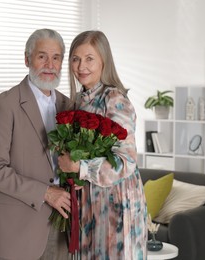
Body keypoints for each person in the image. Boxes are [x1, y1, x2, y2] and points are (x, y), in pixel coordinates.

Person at [0, 28, 72, 260]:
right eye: (42, 56)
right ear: (27, 59)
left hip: (62, 228)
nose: (49, 64)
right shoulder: (4, 105)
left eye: (56, 57)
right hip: (18, 231)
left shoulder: (69, 105)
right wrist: (45, 193)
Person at [58, 30, 148, 259]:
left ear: (103, 61)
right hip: (88, 201)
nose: (81, 66)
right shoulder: (77, 101)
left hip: (116, 202)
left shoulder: (115, 100)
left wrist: (80, 168)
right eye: (76, 59)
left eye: (89, 59)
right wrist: (75, 177)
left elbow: (126, 162)